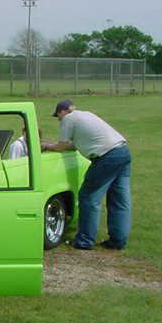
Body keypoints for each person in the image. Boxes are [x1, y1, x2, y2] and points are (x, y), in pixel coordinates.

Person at [42, 100, 131, 250]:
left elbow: (62, 145)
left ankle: (84, 240)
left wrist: (46, 146)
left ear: (62, 111)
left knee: (88, 197)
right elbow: (74, 145)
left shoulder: (68, 118)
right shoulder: (86, 115)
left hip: (106, 157)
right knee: (119, 200)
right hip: (123, 151)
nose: (58, 120)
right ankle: (118, 241)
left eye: (57, 116)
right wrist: (53, 144)